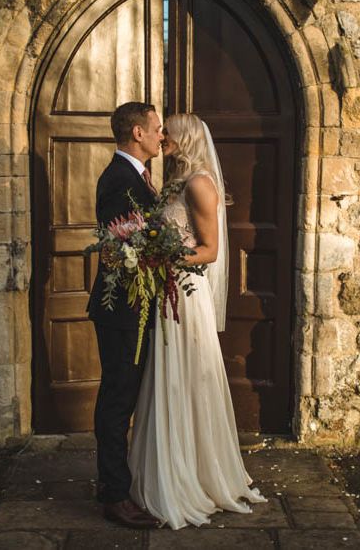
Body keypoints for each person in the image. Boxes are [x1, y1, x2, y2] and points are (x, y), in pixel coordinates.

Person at [128, 113, 266, 529]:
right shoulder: (173, 183)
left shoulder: (200, 183)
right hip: (166, 292)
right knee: (166, 378)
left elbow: (209, 251)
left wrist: (162, 258)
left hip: (185, 296)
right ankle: (167, 469)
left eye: (169, 131)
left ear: (186, 139)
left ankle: (196, 475)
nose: (162, 136)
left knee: (187, 378)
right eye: (160, 129)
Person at [87, 101, 164, 529]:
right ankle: (114, 495)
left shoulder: (136, 178)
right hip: (121, 309)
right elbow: (124, 249)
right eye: (155, 128)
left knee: (122, 397)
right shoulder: (119, 180)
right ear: (137, 133)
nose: (160, 134)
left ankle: (112, 482)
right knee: (117, 401)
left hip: (133, 306)